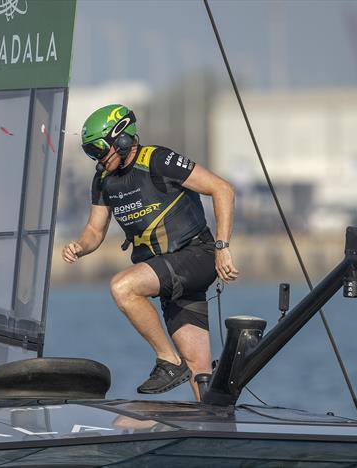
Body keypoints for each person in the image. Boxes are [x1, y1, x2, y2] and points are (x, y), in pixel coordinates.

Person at [62, 104, 239, 400]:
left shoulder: (157, 160)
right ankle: (215, 423)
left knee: (124, 287)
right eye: (90, 153)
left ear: (121, 139)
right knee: (198, 367)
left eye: (98, 150)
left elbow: (223, 189)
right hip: (170, 274)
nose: (96, 159)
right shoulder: (103, 179)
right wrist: (80, 247)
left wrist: (222, 248)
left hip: (197, 255)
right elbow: (94, 231)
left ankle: (168, 362)